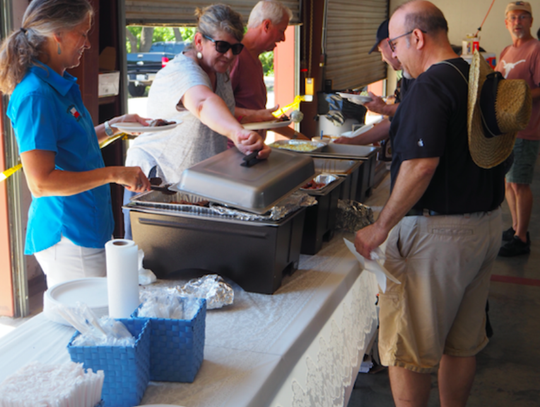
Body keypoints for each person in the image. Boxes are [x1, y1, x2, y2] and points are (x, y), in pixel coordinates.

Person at [354, 1, 518, 405]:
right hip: (484, 226)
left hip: (438, 237)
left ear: (417, 37)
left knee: (407, 354)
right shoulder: (476, 75)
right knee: (461, 345)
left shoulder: (429, 84)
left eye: (395, 44)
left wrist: (381, 227)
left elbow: (421, 166)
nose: (395, 55)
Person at [0, 0, 151, 288]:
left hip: (86, 225)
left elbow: (73, 145)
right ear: (58, 33)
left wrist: (113, 126)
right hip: (68, 234)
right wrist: (115, 174)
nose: (87, 43)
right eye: (82, 33)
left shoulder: (59, 84)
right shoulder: (36, 95)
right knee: (86, 323)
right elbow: (41, 182)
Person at [124, 4, 271, 237]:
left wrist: (254, 122)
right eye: (222, 46)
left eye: (236, 48)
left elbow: (221, 111)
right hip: (158, 183)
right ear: (199, 41)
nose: (230, 55)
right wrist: (238, 134)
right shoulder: (182, 72)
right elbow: (203, 104)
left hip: (194, 188)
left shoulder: (220, 72)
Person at [495, 1, 540, 257]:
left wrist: (517, 98)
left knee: (520, 184)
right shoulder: (506, 51)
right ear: (506, 22)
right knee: (508, 182)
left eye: (523, 17)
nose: (518, 22)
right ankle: (515, 227)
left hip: (526, 129)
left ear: (531, 22)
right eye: (513, 17)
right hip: (506, 130)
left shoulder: (536, 50)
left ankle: (522, 239)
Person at [229, 0, 307, 141]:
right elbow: (218, 108)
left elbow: (261, 117)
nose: (283, 38)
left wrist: (297, 137)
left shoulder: (255, 60)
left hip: (252, 148)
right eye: (282, 31)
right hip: (234, 151)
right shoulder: (235, 57)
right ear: (266, 25)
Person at [334, 19, 414, 146]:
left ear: (392, 44)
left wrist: (384, 108)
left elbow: (417, 111)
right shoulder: (407, 77)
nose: (383, 59)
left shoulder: (427, 76)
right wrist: (352, 141)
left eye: (381, 51)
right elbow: (393, 121)